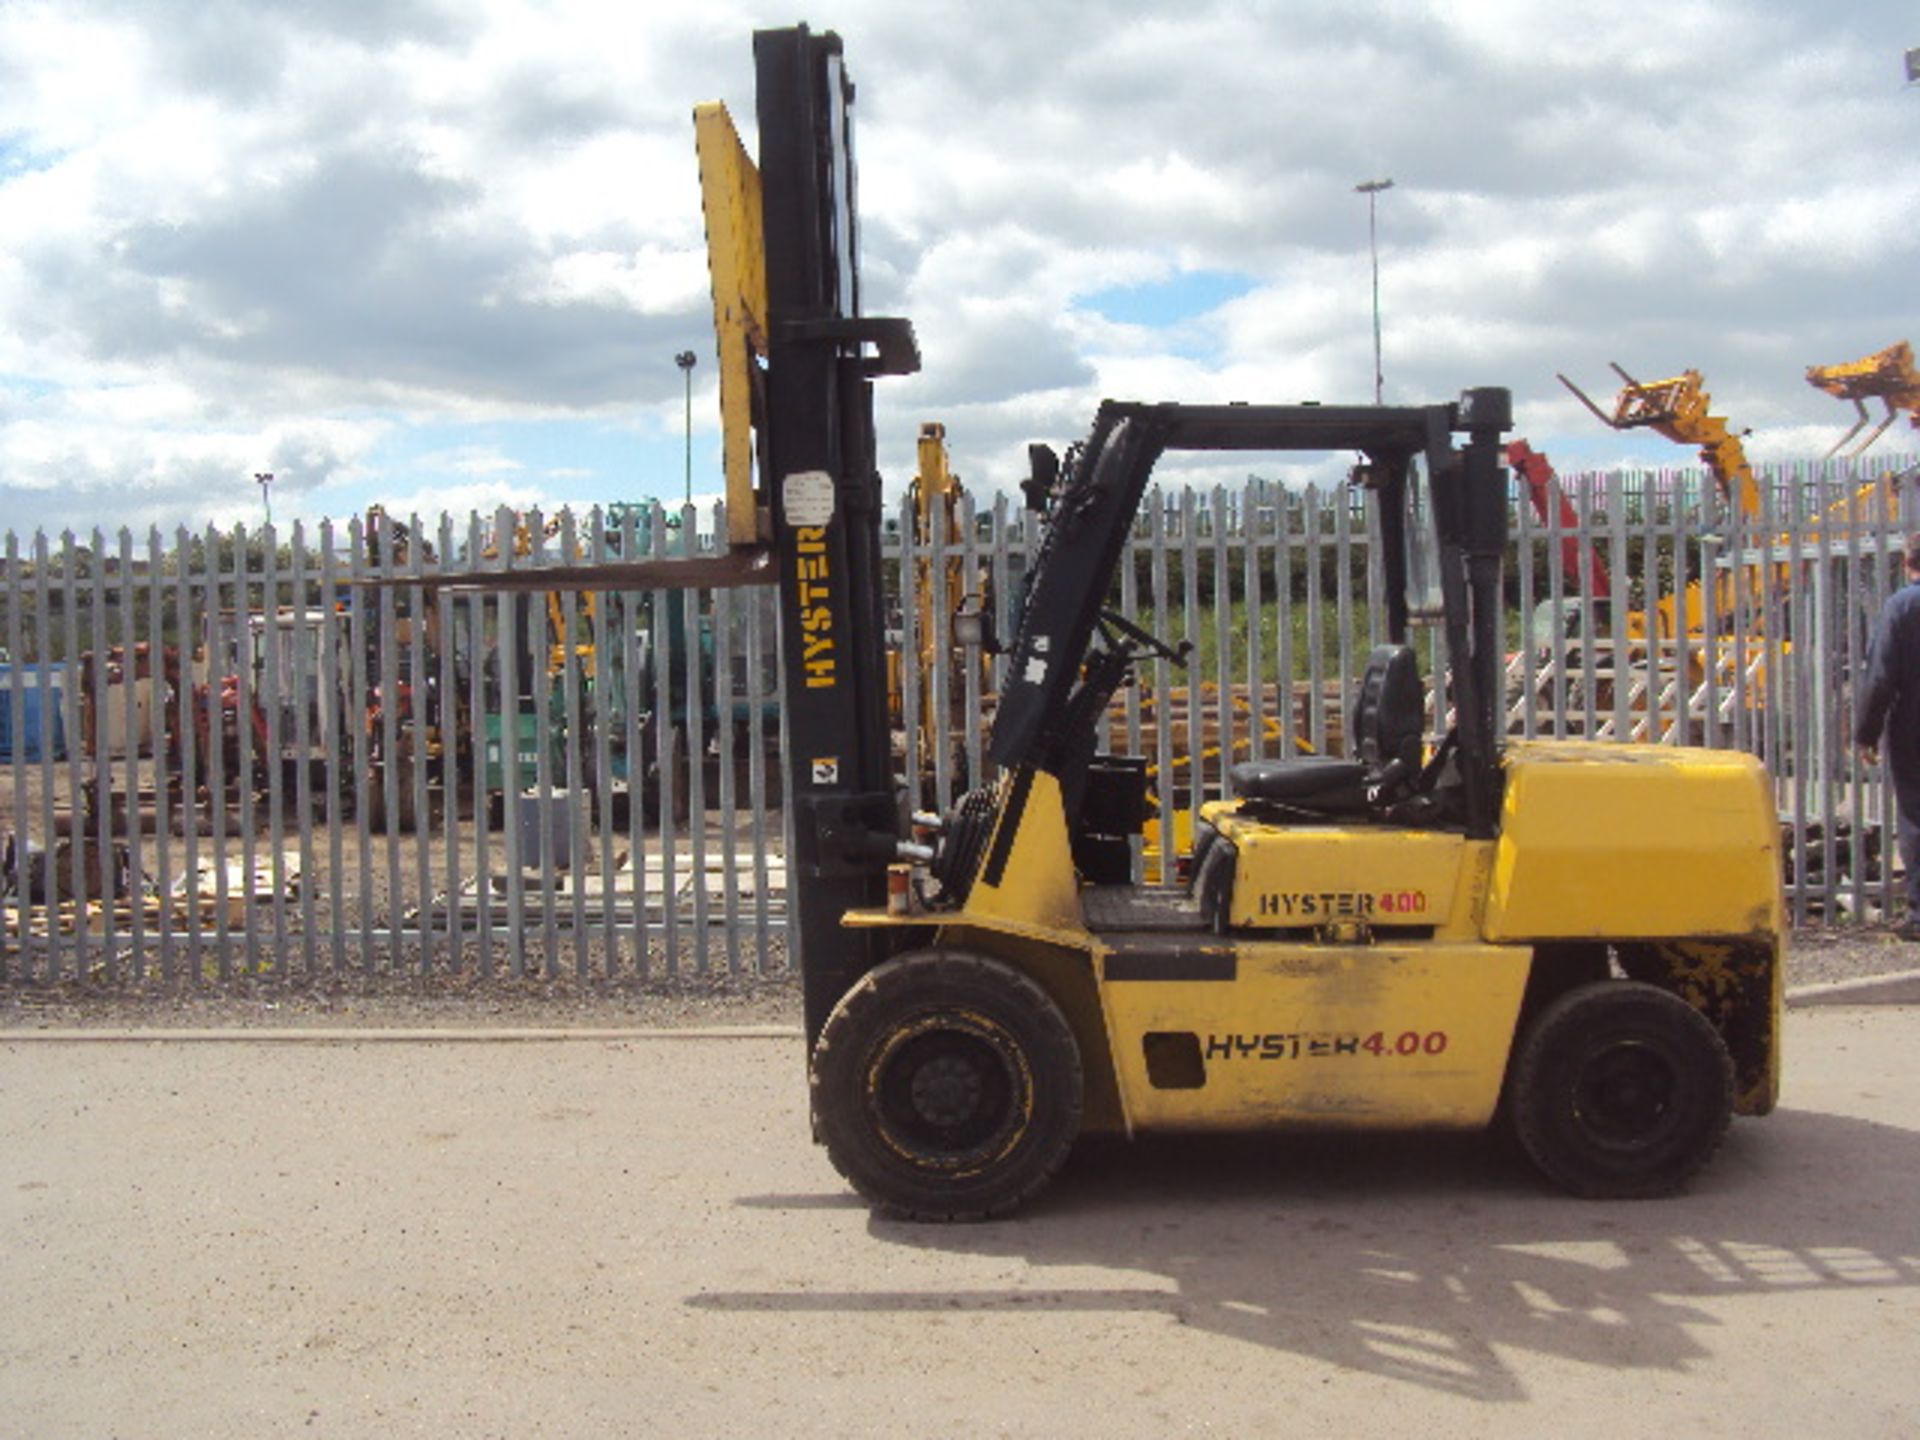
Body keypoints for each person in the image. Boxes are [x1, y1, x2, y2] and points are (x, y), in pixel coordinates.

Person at [1854, 531, 1920, 938]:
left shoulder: (1903, 607)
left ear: (1906, 562)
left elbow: (1881, 677)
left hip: (1914, 725)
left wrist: (1865, 732)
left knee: (1916, 816)